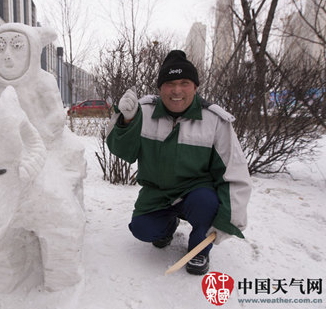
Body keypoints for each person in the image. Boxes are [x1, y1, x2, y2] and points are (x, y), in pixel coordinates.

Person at [106, 50, 252, 275]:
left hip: (197, 192)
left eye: (184, 82)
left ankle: (199, 250)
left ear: (195, 87)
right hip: (157, 192)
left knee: (206, 203)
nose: (176, 90)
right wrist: (126, 121)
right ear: (160, 88)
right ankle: (167, 227)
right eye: (170, 83)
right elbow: (122, 151)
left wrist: (229, 219)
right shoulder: (143, 112)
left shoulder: (214, 120)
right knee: (142, 229)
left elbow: (234, 173)